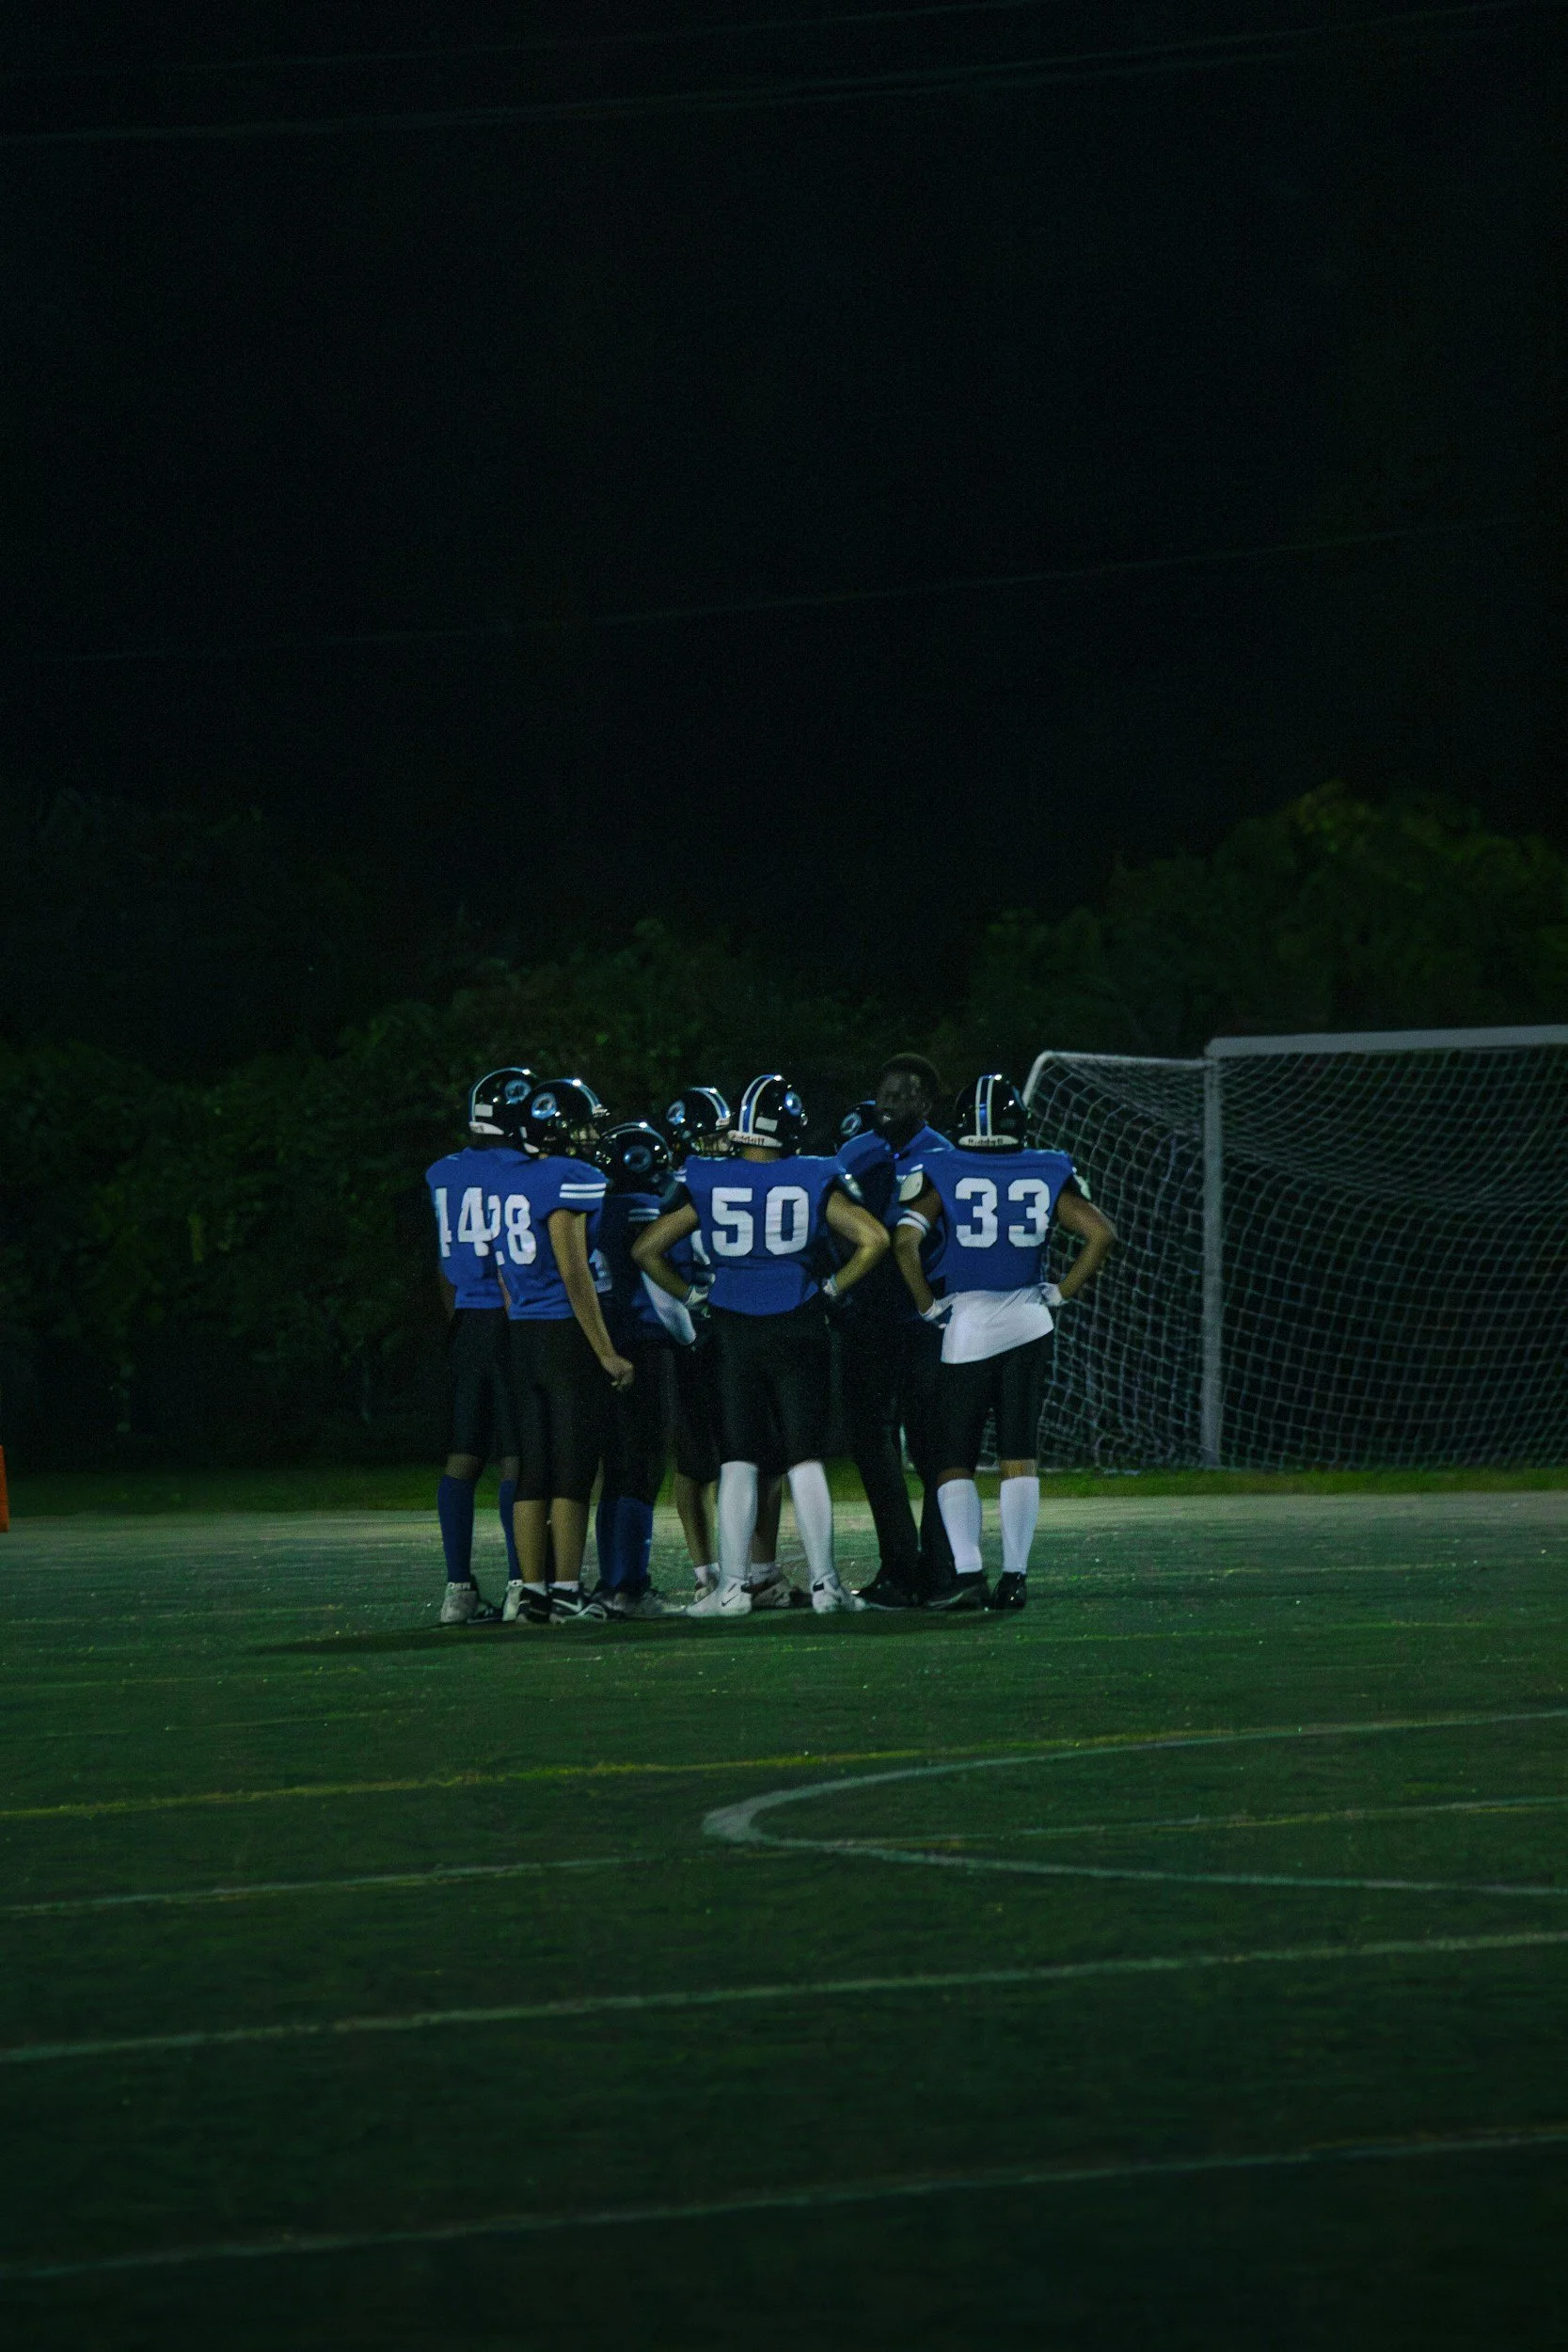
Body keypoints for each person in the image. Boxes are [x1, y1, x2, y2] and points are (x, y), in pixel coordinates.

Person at [634, 1073, 890, 1616]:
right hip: (799, 1323)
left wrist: (694, 1296)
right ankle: (825, 1586)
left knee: (738, 1460)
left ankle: (731, 1590)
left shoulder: (704, 1176)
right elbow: (875, 1239)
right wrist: (832, 1288)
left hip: (732, 1328)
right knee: (804, 1458)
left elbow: (647, 1250)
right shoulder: (815, 1172)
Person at [893, 1073, 1117, 1611]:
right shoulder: (1047, 1165)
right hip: (1028, 1323)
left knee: (953, 1459)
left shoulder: (942, 1164)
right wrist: (1061, 1292)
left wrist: (926, 1304)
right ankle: (1014, 1576)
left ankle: (969, 1571)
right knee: (1020, 1454)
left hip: (967, 1324)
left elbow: (904, 1242)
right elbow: (1102, 1234)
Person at [496, 1078, 634, 1624]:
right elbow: (574, 1271)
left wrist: (519, 1318)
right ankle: (567, 1591)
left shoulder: (510, 1178)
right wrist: (606, 1351)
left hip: (522, 1333)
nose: (592, 1133)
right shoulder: (572, 1176)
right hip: (562, 1335)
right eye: (584, 1124)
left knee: (533, 1468)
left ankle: (531, 1593)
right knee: (573, 1470)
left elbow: (502, 1270)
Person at [656, 1087, 794, 1611]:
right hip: (698, 1336)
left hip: (738, 1328)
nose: (723, 1143)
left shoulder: (734, 1178)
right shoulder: (678, 1187)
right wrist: (689, 1321)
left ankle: (760, 1567)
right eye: (711, 1136)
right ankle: (706, 1570)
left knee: (764, 1455)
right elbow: (651, 1263)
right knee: (697, 1463)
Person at [833, 1054, 956, 1609]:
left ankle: (941, 1567)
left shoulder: (946, 1158)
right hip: (866, 1318)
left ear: (926, 1103)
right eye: (884, 1091)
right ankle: (899, 1565)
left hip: (924, 1319)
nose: (889, 1101)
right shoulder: (854, 1153)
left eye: (904, 1093)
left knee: (933, 1447)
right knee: (870, 1442)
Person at [424, 1066, 533, 1625]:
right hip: (512, 1317)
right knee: (517, 1456)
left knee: (462, 1456)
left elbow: (444, 1265)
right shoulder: (524, 1169)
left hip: (467, 1319)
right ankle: (520, 1583)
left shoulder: (443, 1172)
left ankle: (457, 1589)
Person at [591, 1121, 684, 1620]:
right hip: (645, 1345)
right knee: (643, 1467)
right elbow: (661, 1291)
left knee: (617, 1469)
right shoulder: (645, 1211)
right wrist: (691, 1335)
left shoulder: (594, 1209)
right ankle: (629, 1585)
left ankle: (611, 1581)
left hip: (601, 1344)